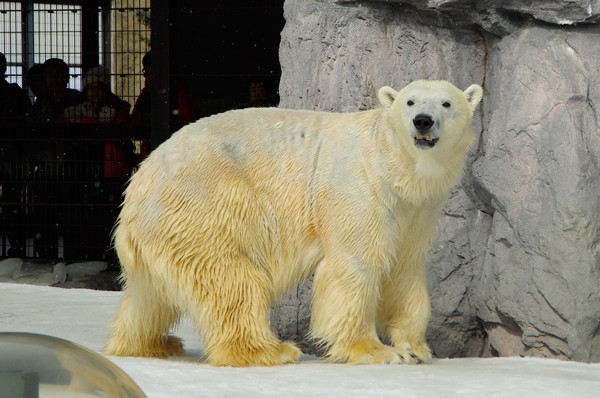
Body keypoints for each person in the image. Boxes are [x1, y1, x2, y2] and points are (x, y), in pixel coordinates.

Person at [0, 52, 32, 257]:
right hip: (12, 154)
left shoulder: (12, 93)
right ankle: (16, 244)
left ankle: (16, 243)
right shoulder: (14, 93)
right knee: (13, 201)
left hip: (9, 153)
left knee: (12, 200)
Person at [27, 58, 84, 123]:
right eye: (50, 75)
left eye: (57, 75)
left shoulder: (78, 100)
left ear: (67, 78)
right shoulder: (39, 104)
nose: (53, 79)